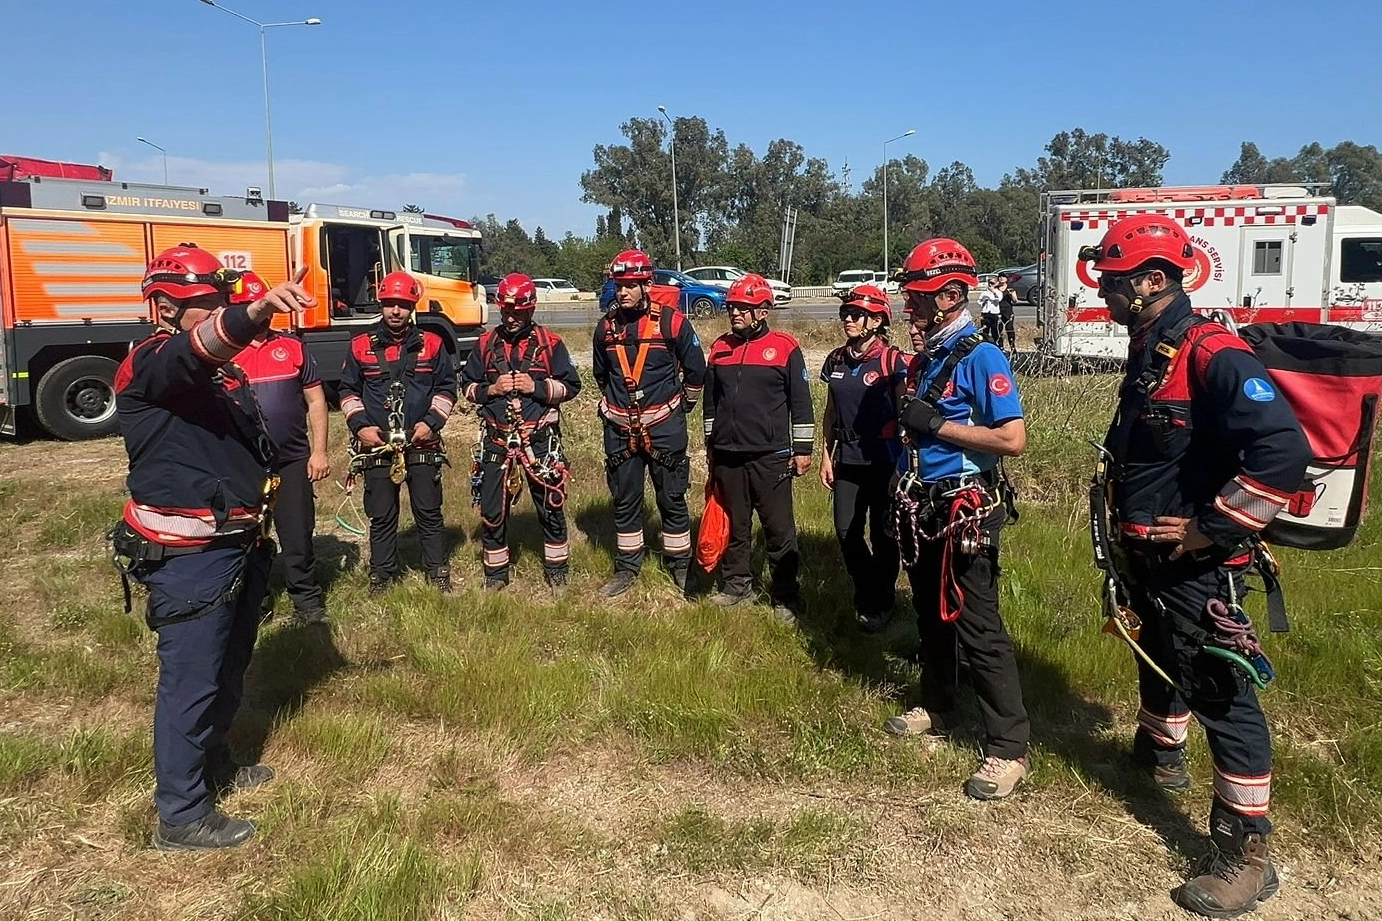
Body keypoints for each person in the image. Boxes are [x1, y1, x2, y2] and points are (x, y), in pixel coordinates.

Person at [1083, 214, 1309, 918]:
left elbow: (1282, 452)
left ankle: (1246, 854)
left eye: (1114, 282)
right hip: (1151, 554)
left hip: (1197, 565)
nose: (1105, 293)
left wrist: (1213, 529)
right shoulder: (1154, 343)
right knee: (1158, 651)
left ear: (1153, 280)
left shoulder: (1212, 350)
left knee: (1222, 693)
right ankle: (1159, 753)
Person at [110, 244, 314, 850]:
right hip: (189, 561)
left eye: (221, 301)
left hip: (237, 547)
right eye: (204, 304)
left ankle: (214, 761)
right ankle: (181, 814)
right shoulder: (151, 365)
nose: (218, 312)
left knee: (229, 667)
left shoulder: (222, 376)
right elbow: (195, 351)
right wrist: (251, 314)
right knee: (191, 680)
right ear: (164, 308)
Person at [883, 238, 1031, 802]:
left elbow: (1012, 439)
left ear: (949, 294)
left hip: (965, 507)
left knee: (977, 625)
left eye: (918, 297)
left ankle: (1008, 748)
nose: (909, 306)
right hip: (921, 503)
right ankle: (940, 703)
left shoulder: (981, 357)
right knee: (929, 611)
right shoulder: (925, 360)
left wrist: (938, 427)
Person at [593, 249, 707, 597]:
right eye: (618, 285)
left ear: (647, 284)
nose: (623, 292)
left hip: (664, 428)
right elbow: (603, 375)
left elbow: (697, 370)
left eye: (630, 285)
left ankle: (679, 565)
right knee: (625, 499)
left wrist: (682, 405)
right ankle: (628, 566)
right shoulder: (605, 328)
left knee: (671, 498)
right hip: (620, 430)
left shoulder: (673, 322)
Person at [703, 273, 814, 624]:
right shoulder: (719, 348)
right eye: (732, 307)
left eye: (743, 308)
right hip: (727, 454)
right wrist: (710, 444)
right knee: (736, 524)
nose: (734, 313)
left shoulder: (785, 348)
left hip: (771, 455)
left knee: (778, 529)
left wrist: (803, 448)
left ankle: (784, 595)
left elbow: (801, 402)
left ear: (763, 311)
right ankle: (737, 586)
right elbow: (710, 403)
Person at [461, 273, 581, 595]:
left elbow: (572, 386)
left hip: (540, 441)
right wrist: (492, 389)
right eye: (506, 311)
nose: (511, 317)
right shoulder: (485, 345)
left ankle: (557, 573)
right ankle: (496, 576)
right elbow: (468, 388)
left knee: (550, 505)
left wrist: (536, 387)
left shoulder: (550, 344)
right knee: (492, 509)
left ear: (530, 309)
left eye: (518, 311)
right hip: (497, 440)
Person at [339, 271, 458, 594]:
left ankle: (437, 571)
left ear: (412, 306)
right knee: (382, 515)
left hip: (422, 441)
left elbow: (447, 388)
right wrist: (361, 427)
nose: (395, 311)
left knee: (429, 511)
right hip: (377, 445)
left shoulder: (432, 345)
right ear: (382, 304)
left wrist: (431, 423)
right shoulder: (360, 346)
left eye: (402, 305)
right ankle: (382, 576)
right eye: (390, 304)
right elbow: (348, 391)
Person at [229, 271, 331, 626]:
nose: (262, 316)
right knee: (244, 536)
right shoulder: (226, 353)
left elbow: (316, 401)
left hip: (291, 460)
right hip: (241, 463)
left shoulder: (292, 347)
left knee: (297, 532)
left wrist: (319, 452)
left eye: (270, 308)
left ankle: (306, 599)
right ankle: (251, 600)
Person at [818, 284, 906, 632]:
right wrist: (826, 455)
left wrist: (904, 465)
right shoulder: (836, 359)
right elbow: (830, 411)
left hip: (883, 462)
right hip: (847, 461)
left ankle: (881, 601)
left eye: (856, 315)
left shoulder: (891, 361)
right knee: (846, 532)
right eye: (845, 314)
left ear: (876, 320)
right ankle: (870, 588)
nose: (848, 320)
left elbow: (904, 416)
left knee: (884, 536)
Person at [977, 275, 1004, 345]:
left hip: (994, 313)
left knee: (995, 330)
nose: (990, 285)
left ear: (996, 284)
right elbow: (979, 301)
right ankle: (985, 343)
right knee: (985, 330)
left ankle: (996, 344)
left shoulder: (998, 292)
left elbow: (999, 299)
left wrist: (993, 292)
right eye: (989, 283)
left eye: (992, 283)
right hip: (985, 313)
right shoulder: (984, 293)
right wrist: (983, 301)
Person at [998, 273, 1019, 352]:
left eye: (1003, 277)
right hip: (998, 311)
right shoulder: (996, 288)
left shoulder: (1010, 288)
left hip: (1008, 311)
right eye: (1000, 276)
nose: (1001, 278)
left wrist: (1011, 295)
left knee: (1009, 329)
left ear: (1006, 279)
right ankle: (1000, 347)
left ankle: (1013, 348)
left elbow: (1015, 301)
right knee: (998, 330)